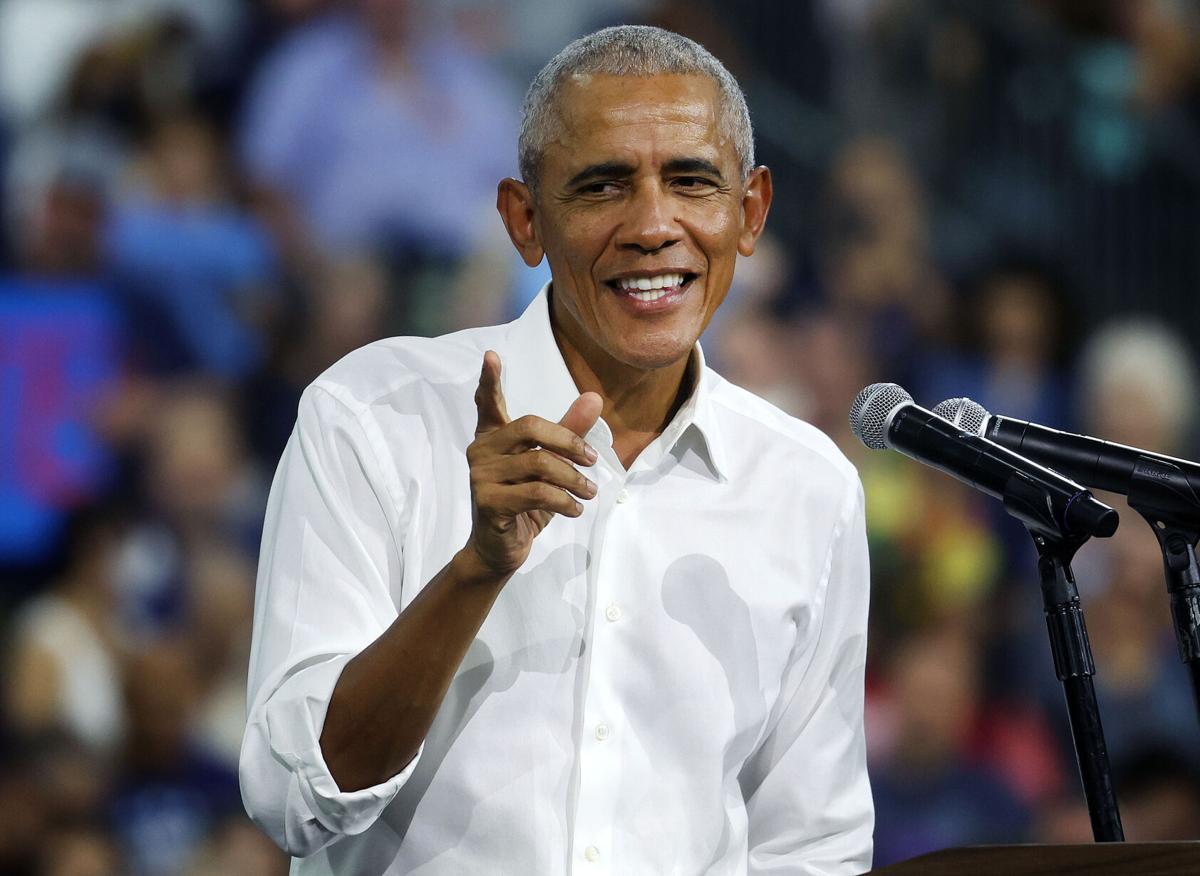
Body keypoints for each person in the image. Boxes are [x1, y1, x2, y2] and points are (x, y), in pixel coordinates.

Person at [240, 25, 873, 874]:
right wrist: (475, 569)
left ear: (749, 212)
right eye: (603, 186)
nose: (654, 226)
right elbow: (293, 798)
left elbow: (813, 846)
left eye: (691, 180)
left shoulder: (809, 486)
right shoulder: (372, 416)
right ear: (524, 219)